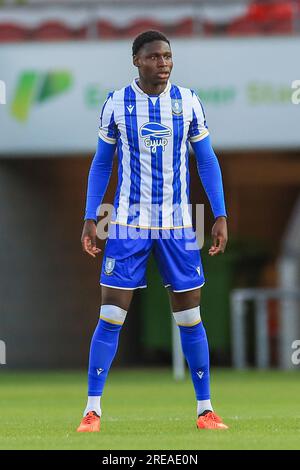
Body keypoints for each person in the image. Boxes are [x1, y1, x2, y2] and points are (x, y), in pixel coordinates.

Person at [77, 30, 228, 432]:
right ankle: (92, 411)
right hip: (126, 222)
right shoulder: (116, 103)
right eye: (155, 57)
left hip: (180, 225)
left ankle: (205, 410)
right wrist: (91, 216)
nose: (163, 63)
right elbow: (102, 164)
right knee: (111, 315)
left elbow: (207, 161)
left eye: (168, 56)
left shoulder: (188, 101)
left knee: (190, 317)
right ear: (137, 61)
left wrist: (220, 214)